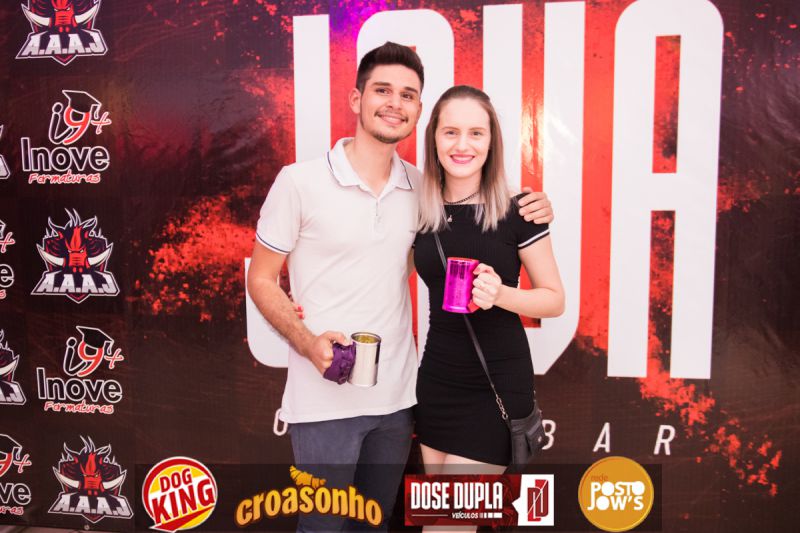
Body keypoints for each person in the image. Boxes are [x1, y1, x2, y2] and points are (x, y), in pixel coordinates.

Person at [246, 43, 554, 531]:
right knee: (323, 528)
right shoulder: (300, 182)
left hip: (400, 400)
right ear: (356, 98)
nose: (394, 103)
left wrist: (533, 208)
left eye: (407, 95)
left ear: (418, 110)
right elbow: (261, 277)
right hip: (324, 400)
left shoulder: (422, 190)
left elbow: (485, 219)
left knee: (385, 525)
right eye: (382, 90)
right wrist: (306, 342)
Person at [413, 85, 565, 476]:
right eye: (451, 132)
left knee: (453, 510)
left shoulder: (519, 210)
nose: (462, 145)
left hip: (495, 385)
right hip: (436, 381)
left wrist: (500, 294)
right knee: (439, 506)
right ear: (434, 139)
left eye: (476, 133)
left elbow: (554, 300)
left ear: (491, 141)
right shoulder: (418, 211)